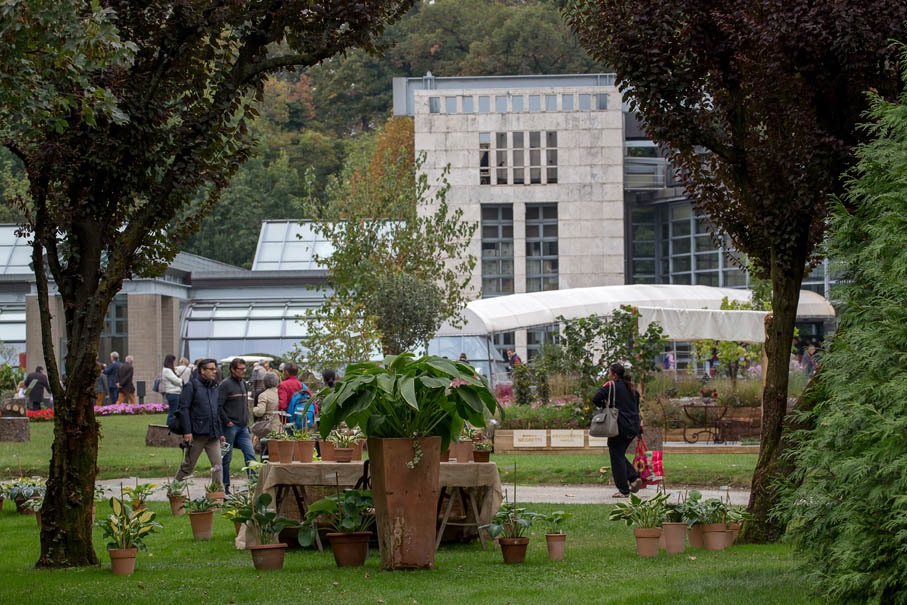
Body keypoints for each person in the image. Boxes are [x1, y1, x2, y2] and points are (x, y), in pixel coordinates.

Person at [592, 363, 642, 499]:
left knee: (616, 455)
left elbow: (595, 399)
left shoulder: (611, 386)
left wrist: (605, 405)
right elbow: (636, 408)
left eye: (609, 373)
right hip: (633, 426)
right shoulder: (632, 388)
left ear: (614, 375)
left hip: (619, 426)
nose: (608, 375)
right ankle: (633, 477)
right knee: (618, 453)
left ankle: (624, 489)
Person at [174, 359, 224, 487]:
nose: (214, 371)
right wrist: (187, 431)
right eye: (211, 369)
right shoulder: (191, 386)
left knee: (218, 466)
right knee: (188, 465)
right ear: (202, 371)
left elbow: (216, 410)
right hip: (197, 434)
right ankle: (174, 489)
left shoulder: (214, 386)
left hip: (213, 434)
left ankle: (217, 494)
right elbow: (184, 409)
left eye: (215, 369)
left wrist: (220, 432)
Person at [219, 358, 256, 493]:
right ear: (232, 370)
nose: (243, 372)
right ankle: (225, 486)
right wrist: (226, 420)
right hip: (230, 426)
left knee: (250, 454)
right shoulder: (225, 385)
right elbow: (219, 406)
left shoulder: (243, 383)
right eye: (240, 369)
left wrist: (247, 420)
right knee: (226, 458)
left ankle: (254, 484)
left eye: (244, 369)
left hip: (243, 426)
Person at [251, 372, 281, 458]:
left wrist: (254, 409)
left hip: (267, 426)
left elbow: (260, 411)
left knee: (265, 450)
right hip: (279, 424)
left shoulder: (263, 395)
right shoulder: (280, 393)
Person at [160, 354, 184, 427]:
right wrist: (181, 380)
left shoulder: (169, 370)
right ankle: (170, 427)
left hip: (174, 393)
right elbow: (176, 381)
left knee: (174, 411)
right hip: (173, 393)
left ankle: (173, 427)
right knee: (173, 412)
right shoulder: (167, 370)